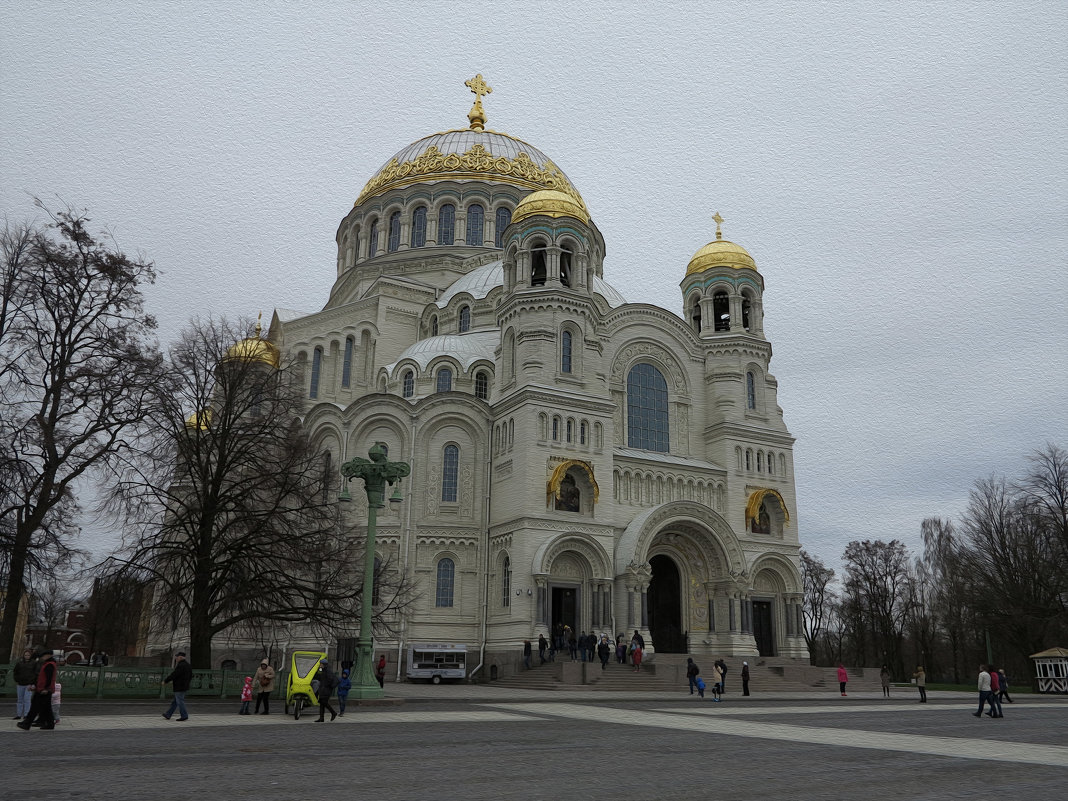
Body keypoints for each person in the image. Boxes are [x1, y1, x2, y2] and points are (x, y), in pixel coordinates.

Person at [18, 650, 57, 730]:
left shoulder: (49, 665)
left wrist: (45, 688)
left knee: (35, 707)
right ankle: (50, 724)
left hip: (44, 690)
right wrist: (36, 686)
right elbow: (42, 678)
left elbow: (48, 679)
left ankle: (26, 723)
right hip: (43, 689)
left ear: (48, 655)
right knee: (47, 708)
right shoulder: (48, 664)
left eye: (43, 656)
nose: (42, 658)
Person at [161, 651, 192, 721]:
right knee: (175, 702)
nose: (176, 658)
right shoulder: (188, 665)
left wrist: (166, 681)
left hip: (179, 686)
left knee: (180, 701)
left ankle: (184, 715)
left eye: (177, 657)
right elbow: (190, 676)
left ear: (180, 657)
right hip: (184, 686)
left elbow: (174, 674)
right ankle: (168, 714)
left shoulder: (181, 665)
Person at [13, 648, 36, 721]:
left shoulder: (34, 663)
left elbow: (35, 674)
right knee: (20, 700)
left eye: (28, 655)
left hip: (29, 684)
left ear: (30, 655)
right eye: (25, 655)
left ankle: (26, 714)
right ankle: (19, 714)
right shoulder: (19, 663)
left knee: (27, 700)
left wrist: (32, 683)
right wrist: (17, 679)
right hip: (20, 684)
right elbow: (15, 672)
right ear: (23, 655)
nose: (27, 656)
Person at [314, 658, 338, 722]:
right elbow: (319, 677)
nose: (320, 665)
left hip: (326, 690)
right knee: (322, 704)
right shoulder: (323, 670)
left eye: (321, 664)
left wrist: (325, 685)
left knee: (324, 702)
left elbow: (330, 680)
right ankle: (321, 718)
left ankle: (333, 713)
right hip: (323, 689)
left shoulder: (328, 671)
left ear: (324, 664)